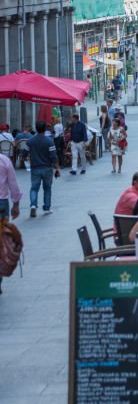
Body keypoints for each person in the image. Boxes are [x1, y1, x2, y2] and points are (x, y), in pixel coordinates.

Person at [26, 121, 60, 217]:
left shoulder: (30, 141)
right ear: (45, 129)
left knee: (34, 188)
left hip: (35, 168)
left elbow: (24, 151)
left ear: (36, 128)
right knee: (47, 188)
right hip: (47, 168)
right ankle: (46, 208)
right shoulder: (49, 141)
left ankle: (33, 205)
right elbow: (53, 156)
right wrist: (57, 168)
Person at [0, 150, 22, 293]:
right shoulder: (4, 160)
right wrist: (16, 204)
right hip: (1, 205)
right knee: (1, 242)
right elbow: (13, 183)